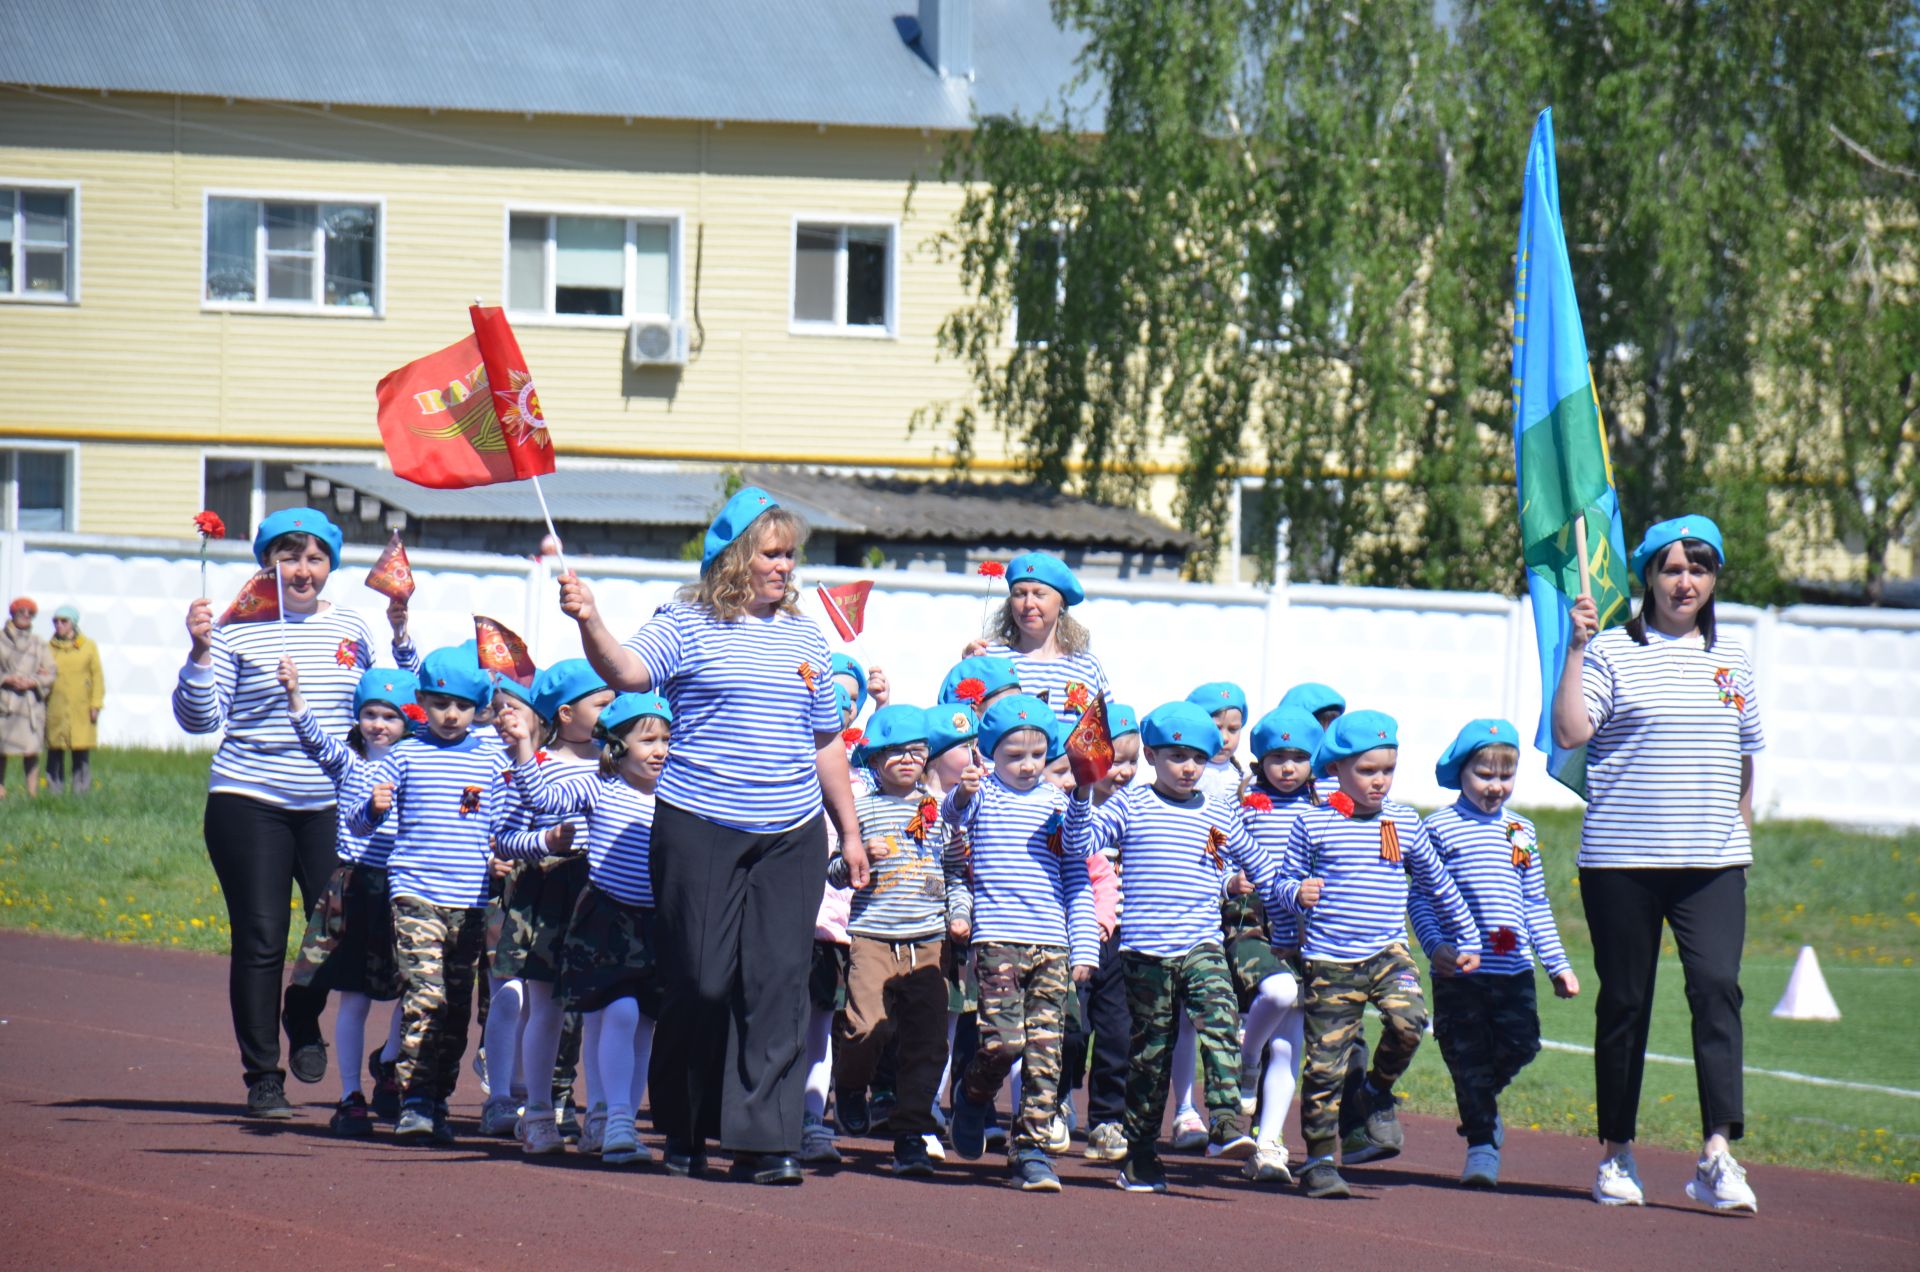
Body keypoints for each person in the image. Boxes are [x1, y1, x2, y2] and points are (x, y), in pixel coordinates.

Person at [561, 486, 862, 1186]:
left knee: (777, 983)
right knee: (700, 980)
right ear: (735, 559)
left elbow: (826, 743)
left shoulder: (806, 637)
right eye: (772, 554)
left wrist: (846, 831)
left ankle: (764, 1139)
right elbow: (630, 673)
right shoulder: (688, 621)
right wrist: (590, 622)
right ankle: (688, 1124)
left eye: (791, 555)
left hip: (790, 832)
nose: (785, 567)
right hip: (699, 823)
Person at [1554, 514, 1763, 1213]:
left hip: (1713, 864)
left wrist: (1741, 837)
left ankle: (1716, 1155)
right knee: (1625, 1002)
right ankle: (1616, 1153)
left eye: (1699, 569)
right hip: (1621, 862)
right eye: (1672, 568)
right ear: (1647, 576)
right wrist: (1576, 650)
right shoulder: (1613, 650)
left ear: (1713, 579)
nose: (1686, 582)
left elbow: (1744, 756)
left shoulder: (1733, 658)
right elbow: (1570, 732)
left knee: (1717, 990)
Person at [171, 508, 373, 1117]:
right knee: (261, 939)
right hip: (248, 798)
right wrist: (200, 652)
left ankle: (302, 1016)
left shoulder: (355, 630)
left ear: (331, 565)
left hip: (331, 803)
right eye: (289, 557)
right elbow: (200, 720)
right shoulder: (234, 629)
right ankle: (263, 1077)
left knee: (340, 933)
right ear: (267, 563)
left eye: (315, 558)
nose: (302, 571)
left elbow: (373, 721)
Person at [1272, 709, 1482, 1199]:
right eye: (1368, 771)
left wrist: (1467, 938)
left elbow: (1437, 882)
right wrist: (1294, 896)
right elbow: (1281, 882)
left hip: (1387, 952)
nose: (1379, 781)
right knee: (1325, 1066)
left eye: (1387, 770)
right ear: (1338, 770)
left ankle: (1376, 1091)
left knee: (1411, 1023)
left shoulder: (1403, 820)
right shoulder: (1312, 823)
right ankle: (1321, 1159)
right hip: (1329, 960)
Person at [1075, 701, 1281, 1194]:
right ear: (1151, 755)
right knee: (1151, 1055)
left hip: (1201, 941)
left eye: (1198, 757)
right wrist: (1084, 790)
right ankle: (1141, 1152)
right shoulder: (1130, 804)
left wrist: (1289, 893)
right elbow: (1083, 840)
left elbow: (1257, 861)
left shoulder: (1219, 810)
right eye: (1176, 756)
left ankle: (1227, 1119)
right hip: (1146, 952)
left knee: (1220, 1012)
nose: (1188, 767)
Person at [351, 646, 544, 1144]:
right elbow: (358, 819)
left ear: (478, 708)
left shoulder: (489, 761)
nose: (450, 714)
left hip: (471, 900)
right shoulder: (405, 755)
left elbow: (504, 828)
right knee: (426, 996)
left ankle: (436, 1099)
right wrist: (373, 809)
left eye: (461, 705)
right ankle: (412, 1099)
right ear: (422, 702)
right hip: (415, 892)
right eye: (439, 704)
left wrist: (511, 856)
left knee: (457, 1007)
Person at [507, 691, 674, 1168]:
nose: (659, 750)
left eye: (665, 739)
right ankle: (618, 1117)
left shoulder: (679, 792)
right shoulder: (600, 787)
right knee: (620, 1012)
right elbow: (540, 796)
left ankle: (619, 1117)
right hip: (605, 917)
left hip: (657, 921)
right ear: (617, 746)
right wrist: (523, 745)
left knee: (645, 1024)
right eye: (647, 741)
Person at [942, 693, 1098, 1191]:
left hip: (1051, 944)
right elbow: (953, 821)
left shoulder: (1058, 801)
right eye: (1014, 756)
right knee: (1003, 1043)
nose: (1028, 766)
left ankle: (1029, 1149)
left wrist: (1085, 946)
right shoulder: (983, 793)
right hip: (997, 941)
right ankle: (970, 1096)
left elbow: (1077, 860)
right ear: (990, 754)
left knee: (1045, 1053)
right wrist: (963, 794)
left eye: (1037, 755)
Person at [1415, 719, 1578, 1189]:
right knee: (1465, 1056)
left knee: (1522, 1044)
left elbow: (1535, 903)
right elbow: (1421, 899)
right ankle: (1482, 1146)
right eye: (1485, 775)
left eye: (1505, 777)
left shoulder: (1520, 830)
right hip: (1460, 971)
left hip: (1513, 968)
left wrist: (1558, 965)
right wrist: (1437, 946)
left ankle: (1479, 1101)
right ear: (1461, 772)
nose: (1495, 786)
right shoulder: (1438, 828)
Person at [280, 662, 417, 1136]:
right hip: (357, 889)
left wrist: (402, 631)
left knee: (418, 988)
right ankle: (349, 1095)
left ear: (410, 721)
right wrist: (295, 694)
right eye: (371, 713)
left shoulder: (420, 763)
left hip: (407, 889)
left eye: (391, 716)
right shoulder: (349, 764)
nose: (379, 724)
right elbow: (315, 738)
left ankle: (391, 1063)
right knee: (355, 999)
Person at [829, 705, 955, 1178]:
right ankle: (850, 1087)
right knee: (867, 1027)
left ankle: (910, 1134)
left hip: (928, 938)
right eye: (895, 751)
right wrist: (858, 857)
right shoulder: (860, 809)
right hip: (874, 936)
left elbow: (957, 872)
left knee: (926, 1041)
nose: (907, 759)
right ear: (875, 758)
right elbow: (834, 872)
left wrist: (958, 915)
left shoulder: (938, 811)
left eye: (916, 751)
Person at [495, 660, 612, 1155]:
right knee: (544, 1005)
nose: (612, 713)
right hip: (548, 891)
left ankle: (602, 1114)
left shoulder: (618, 760)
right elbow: (502, 837)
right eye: (602, 704)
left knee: (601, 1007)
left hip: (604, 893)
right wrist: (545, 840)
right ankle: (538, 1111)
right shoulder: (534, 767)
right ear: (565, 713)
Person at [1232, 704, 1323, 1184]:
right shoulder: (1244, 810)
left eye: (1299, 757)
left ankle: (1269, 1142)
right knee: (1275, 997)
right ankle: (1246, 1056)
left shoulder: (1324, 811)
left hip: (1306, 936)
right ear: (1261, 760)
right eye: (1277, 757)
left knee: (1289, 1047)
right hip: (1255, 930)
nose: (1288, 768)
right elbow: (1222, 857)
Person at [1063, 702, 1138, 1166]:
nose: (1123, 771)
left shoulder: (1140, 809)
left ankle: (1109, 1118)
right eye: (1114, 760)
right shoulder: (1075, 806)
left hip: (1122, 938)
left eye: (1132, 761)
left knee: (1117, 1033)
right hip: (1075, 931)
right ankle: (1058, 1098)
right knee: (1073, 1028)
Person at [968, 551, 1111, 725]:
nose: (1028, 604)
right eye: (1020, 594)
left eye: (1039, 594)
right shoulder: (990, 658)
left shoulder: (1086, 666)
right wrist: (966, 670)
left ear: (1061, 603)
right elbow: (964, 725)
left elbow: (1107, 732)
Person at [44, 606, 103, 794]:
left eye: (64, 621)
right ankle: (54, 793)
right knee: (55, 751)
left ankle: (81, 792)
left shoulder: (88, 646)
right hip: (55, 708)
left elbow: (97, 678)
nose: (59, 625)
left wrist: (96, 704)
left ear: (73, 623)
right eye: (56, 621)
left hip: (81, 709)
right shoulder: (48, 647)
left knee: (80, 752)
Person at [1, 597, 56, 798]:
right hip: (5, 702)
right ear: (12, 613)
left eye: (29, 613)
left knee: (31, 751)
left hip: (30, 704)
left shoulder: (39, 644)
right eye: (21, 611)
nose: (25, 616)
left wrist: (33, 681)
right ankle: (0, 790)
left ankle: (32, 793)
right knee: (1, 749)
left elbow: (51, 672)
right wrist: (8, 678)